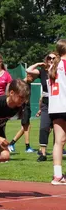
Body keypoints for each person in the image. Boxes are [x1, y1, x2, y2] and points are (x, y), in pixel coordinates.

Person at [24, 52, 57, 162]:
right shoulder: (42, 71)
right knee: (44, 128)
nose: (51, 60)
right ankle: (42, 154)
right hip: (46, 103)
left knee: (58, 130)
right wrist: (38, 63)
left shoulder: (60, 71)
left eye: (53, 58)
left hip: (58, 102)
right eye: (49, 58)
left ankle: (57, 153)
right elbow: (28, 70)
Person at [48, 39, 66, 185]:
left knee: (58, 141)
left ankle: (58, 175)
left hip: (55, 107)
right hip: (64, 105)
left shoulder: (53, 66)